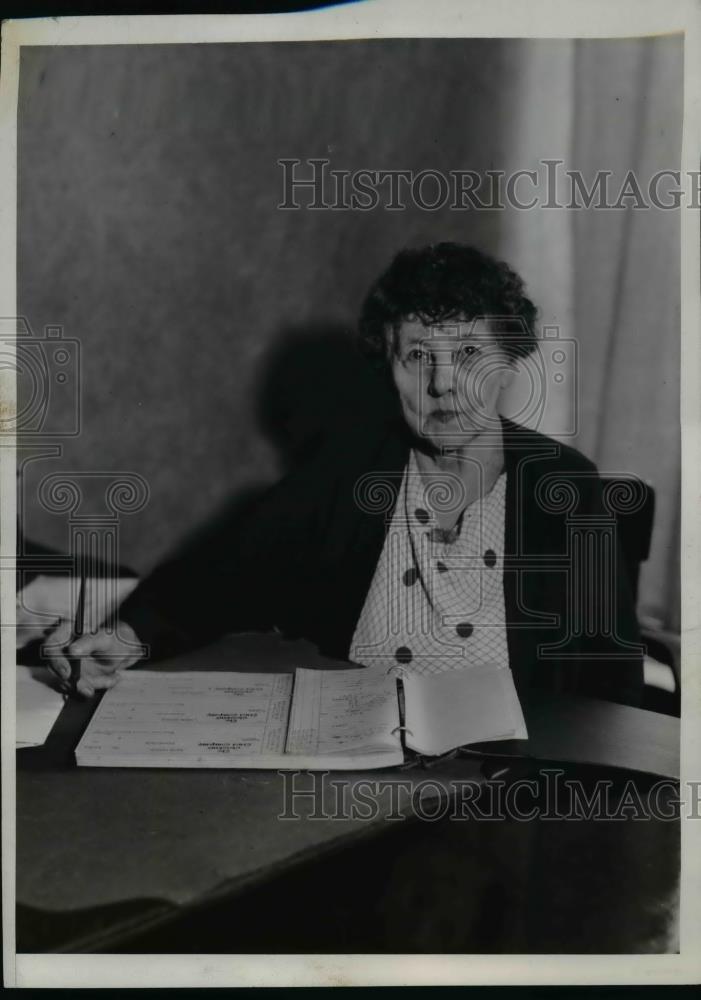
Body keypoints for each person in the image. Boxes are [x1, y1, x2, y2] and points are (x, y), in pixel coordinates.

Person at [44, 242, 644, 706]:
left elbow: (608, 690)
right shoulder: (352, 468)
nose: (441, 384)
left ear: (509, 361)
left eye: (467, 353)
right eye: (417, 356)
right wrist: (126, 637)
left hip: (503, 786)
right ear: (388, 366)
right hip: (359, 774)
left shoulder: (563, 489)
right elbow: (222, 574)